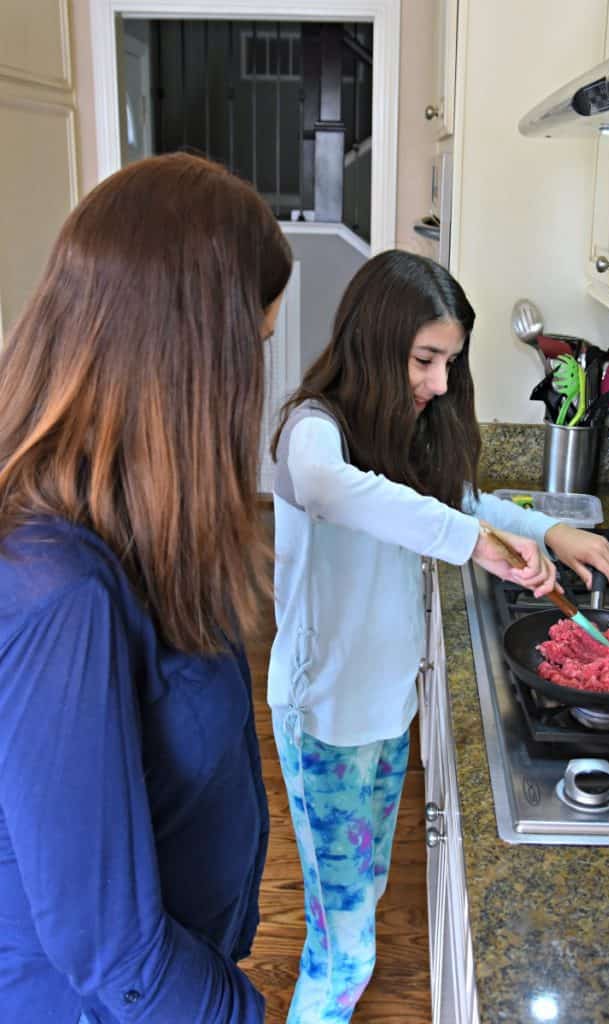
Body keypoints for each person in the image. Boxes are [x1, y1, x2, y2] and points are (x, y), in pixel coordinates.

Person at [267, 249, 609, 1021]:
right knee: (345, 948)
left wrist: (549, 530)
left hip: (389, 706)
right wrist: (470, 541)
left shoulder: (409, 429)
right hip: (322, 714)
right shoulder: (311, 432)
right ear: (371, 342)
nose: (436, 383)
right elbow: (338, 491)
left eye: (448, 364)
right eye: (424, 360)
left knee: (357, 902)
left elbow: (463, 498)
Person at [0, 153, 292, 1024]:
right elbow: (109, 950)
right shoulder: (61, 592)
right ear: (193, 364)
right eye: (255, 349)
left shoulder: (130, 522)